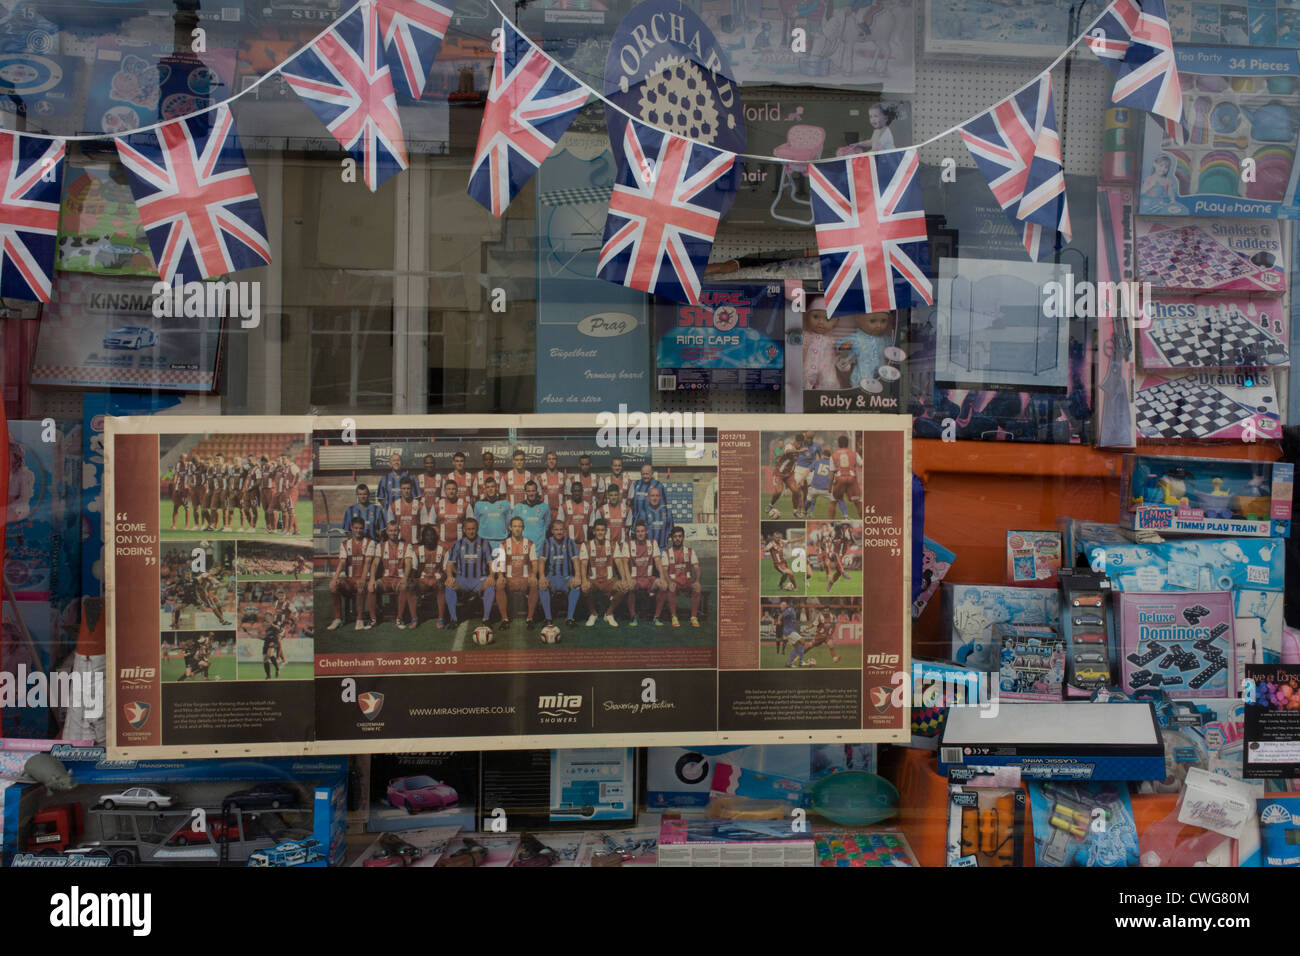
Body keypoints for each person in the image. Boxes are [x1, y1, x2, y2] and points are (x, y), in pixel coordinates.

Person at [444, 517, 496, 627]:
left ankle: (486, 618)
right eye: (468, 529)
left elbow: (491, 564)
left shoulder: (484, 543)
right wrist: (449, 576)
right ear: (463, 530)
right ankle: (453, 619)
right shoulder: (457, 544)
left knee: (490, 586)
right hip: (462, 580)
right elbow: (449, 564)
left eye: (473, 529)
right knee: (449, 586)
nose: (471, 531)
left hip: (479, 580)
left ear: (477, 529)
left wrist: (491, 576)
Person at [494, 516, 539, 629]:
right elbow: (500, 563)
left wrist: (533, 575)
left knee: (534, 583)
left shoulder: (530, 544)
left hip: (524, 580)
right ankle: (504, 619)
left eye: (519, 526)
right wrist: (500, 576)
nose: (517, 529)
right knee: (499, 584)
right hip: (510, 580)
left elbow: (534, 563)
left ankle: (530, 618)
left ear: (523, 528)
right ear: (510, 528)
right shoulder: (504, 544)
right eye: (515, 526)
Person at [580, 518, 626, 627]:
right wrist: (584, 580)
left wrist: (623, 579)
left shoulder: (613, 545)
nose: (600, 532)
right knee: (585, 588)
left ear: (606, 531)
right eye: (598, 530)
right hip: (594, 580)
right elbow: (583, 565)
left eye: (602, 530)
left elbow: (619, 563)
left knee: (624, 587)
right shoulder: (586, 545)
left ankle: (609, 613)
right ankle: (593, 614)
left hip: (609, 580)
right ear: (594, 532)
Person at [329, 516, 372, 630]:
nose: (358, 531)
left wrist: (363, 579)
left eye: (361, 528)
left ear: (364, 529)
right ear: (351, 528)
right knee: (334, 586)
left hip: (364, 579)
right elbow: (342, 562)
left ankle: (359, 619)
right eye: (356, 528)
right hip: (350, 580)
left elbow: (367, 563)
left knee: (360, 585)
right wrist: (335, 578)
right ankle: (338, 618)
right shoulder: (345, 544)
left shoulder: (369, 543)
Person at [368, 522, 413, 629]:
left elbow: (408, 564)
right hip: (385, 580)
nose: (393, 533)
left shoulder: (406, 546)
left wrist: (405, 578)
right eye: (391, 530)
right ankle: (373, 619)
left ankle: (399, 618)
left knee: (404, 586)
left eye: (395, 530)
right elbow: (375, 563)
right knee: (372, 587)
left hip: (399, 579)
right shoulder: (380, 546)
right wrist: (372, 579)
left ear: (399, 531)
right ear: (387, 532)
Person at [538, 519, 581, 626]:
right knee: (542, 586)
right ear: (552, 531)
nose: (559, 532)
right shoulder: (547, 542)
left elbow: (575, 560)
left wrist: (577, 576)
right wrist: (542, 577)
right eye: (556, 529)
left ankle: (570, 618)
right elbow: (542, 561)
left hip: (566, 578)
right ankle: (548, 618)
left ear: (565, 530)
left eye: (561, 529)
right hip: (552, 578)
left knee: (576, 586)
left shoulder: (570, 542)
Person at [624, 519, 665, 625]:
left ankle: (657, 617)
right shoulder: (628, 544)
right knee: (631, 585)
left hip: (648, 579)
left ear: (646, 532)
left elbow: (657, 561)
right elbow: (624, 563)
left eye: (642, 531)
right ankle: (633, 616)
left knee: (662, 585)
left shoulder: (652, 543)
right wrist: (628, 579)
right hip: (635, 579)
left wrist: (662, 577)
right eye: (638, 531)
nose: (640, 533)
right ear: (635, 533)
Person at [661, 526, 702, 627]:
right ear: (672, 538)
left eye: (680, 536)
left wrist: (697, 580)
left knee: (697, 587)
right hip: (675, 581)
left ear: (683, 537)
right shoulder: (666, 553)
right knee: (671, 587)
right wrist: (670, 582)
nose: (677, 539)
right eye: (675, 537)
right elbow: (664, 570)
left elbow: (696, 567)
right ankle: (674, 617)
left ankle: (693, 617)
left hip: (687, 580)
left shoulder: (690, 551)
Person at [409, 524, 448, 628]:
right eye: (427, 535)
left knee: (441, 586)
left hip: (437, 580)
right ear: (422, 538)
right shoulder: (417, 551)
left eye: (432, 535)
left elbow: (445, 571)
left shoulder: (442, 551)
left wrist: (442, 579)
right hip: (423, 581)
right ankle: (414, 618)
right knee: (410, 586)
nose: (430, 538)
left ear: (436, 537)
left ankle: (441, 618)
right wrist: (412, 580)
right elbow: (413, 569)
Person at [472, 476, 512, 552]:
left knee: (500, 564)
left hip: (501, 541)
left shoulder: (505, 503)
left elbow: (508, 523)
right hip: (484, 541)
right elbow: (476, 523)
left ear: (496, 488)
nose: (490, 489)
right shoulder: (479, 504)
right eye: (488, 487)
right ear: (485, 489)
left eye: (492, 487)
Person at [830, 434, 863, 519]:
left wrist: (830, 486)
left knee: (833, 502)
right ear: (848, 444)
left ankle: (830, 521)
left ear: (838, 444)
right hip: (851, 479)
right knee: (858, 503)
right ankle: (865, 522)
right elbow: (862, 465)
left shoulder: (833, 455)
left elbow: (831, 472)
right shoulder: (854, 454)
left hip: (840, 480)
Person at [511, 480, 551, 548]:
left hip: (539, 546)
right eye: (528, 491)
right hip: (523, 546)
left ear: (537, 491)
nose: (531, 493)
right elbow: (513, 527)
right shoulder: (518, 507)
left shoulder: (544, 507)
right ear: (525, 492)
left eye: (533, 491)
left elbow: (546, 526)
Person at [387, 476, 422, 547]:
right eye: (404, 488)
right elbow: (390, 527)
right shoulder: (393, 506)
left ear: (412, 489)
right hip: (399, 544)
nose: (406, 491)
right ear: (400, 489)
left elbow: (423, 526)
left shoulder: (420, 505)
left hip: (415, 544)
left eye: (408, 488)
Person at [562, 480, 595, 546]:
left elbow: (591, 526)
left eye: (579, 491)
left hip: (584, 543)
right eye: (575, 491)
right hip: (569, 543)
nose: (577, 493)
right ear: (571, 491)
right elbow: (560, 525)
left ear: (582, 492)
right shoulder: (564, 506)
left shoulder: (589, 506)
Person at [641, 485, 674, 549]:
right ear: (648, 497)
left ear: (660, 497)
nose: (655, 498)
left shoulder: (667, 513)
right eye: (652, 496)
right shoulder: (643, 513)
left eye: (657, 495)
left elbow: (671, 531)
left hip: (663, 549)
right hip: (647, 550)